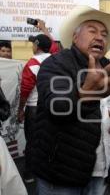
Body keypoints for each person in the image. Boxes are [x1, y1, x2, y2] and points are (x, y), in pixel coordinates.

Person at [31, 5, 110, 195]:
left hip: (100, 172)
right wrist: (87, 94)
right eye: (92, 31)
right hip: (61, 177)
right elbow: (57, 108)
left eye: (104, 34)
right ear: (75, 38)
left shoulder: (109, 70)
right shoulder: (56, 64)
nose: (100, 37)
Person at [17, 34, 53, 183]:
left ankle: (30, 173)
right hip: (53, 106)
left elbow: (25, 89)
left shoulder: (32, 63)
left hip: (34, 108)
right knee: (51, 139)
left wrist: (20, 109)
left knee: (32, 141)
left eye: (33, 44)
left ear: (37, 45)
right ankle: (49, 170)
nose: (32, 46)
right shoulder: (56, 59)